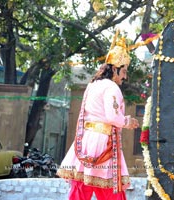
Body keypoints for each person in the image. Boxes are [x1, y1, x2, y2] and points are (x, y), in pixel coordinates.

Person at [57, 32, 140, 200]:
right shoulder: (112, 87)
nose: (125, 75)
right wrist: (127, 121)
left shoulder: (93, 85)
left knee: (81, 188)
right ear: (115, 69)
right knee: (111, 190)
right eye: (123, 70)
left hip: (86, 140)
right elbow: (112, 116)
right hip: (103, 142)